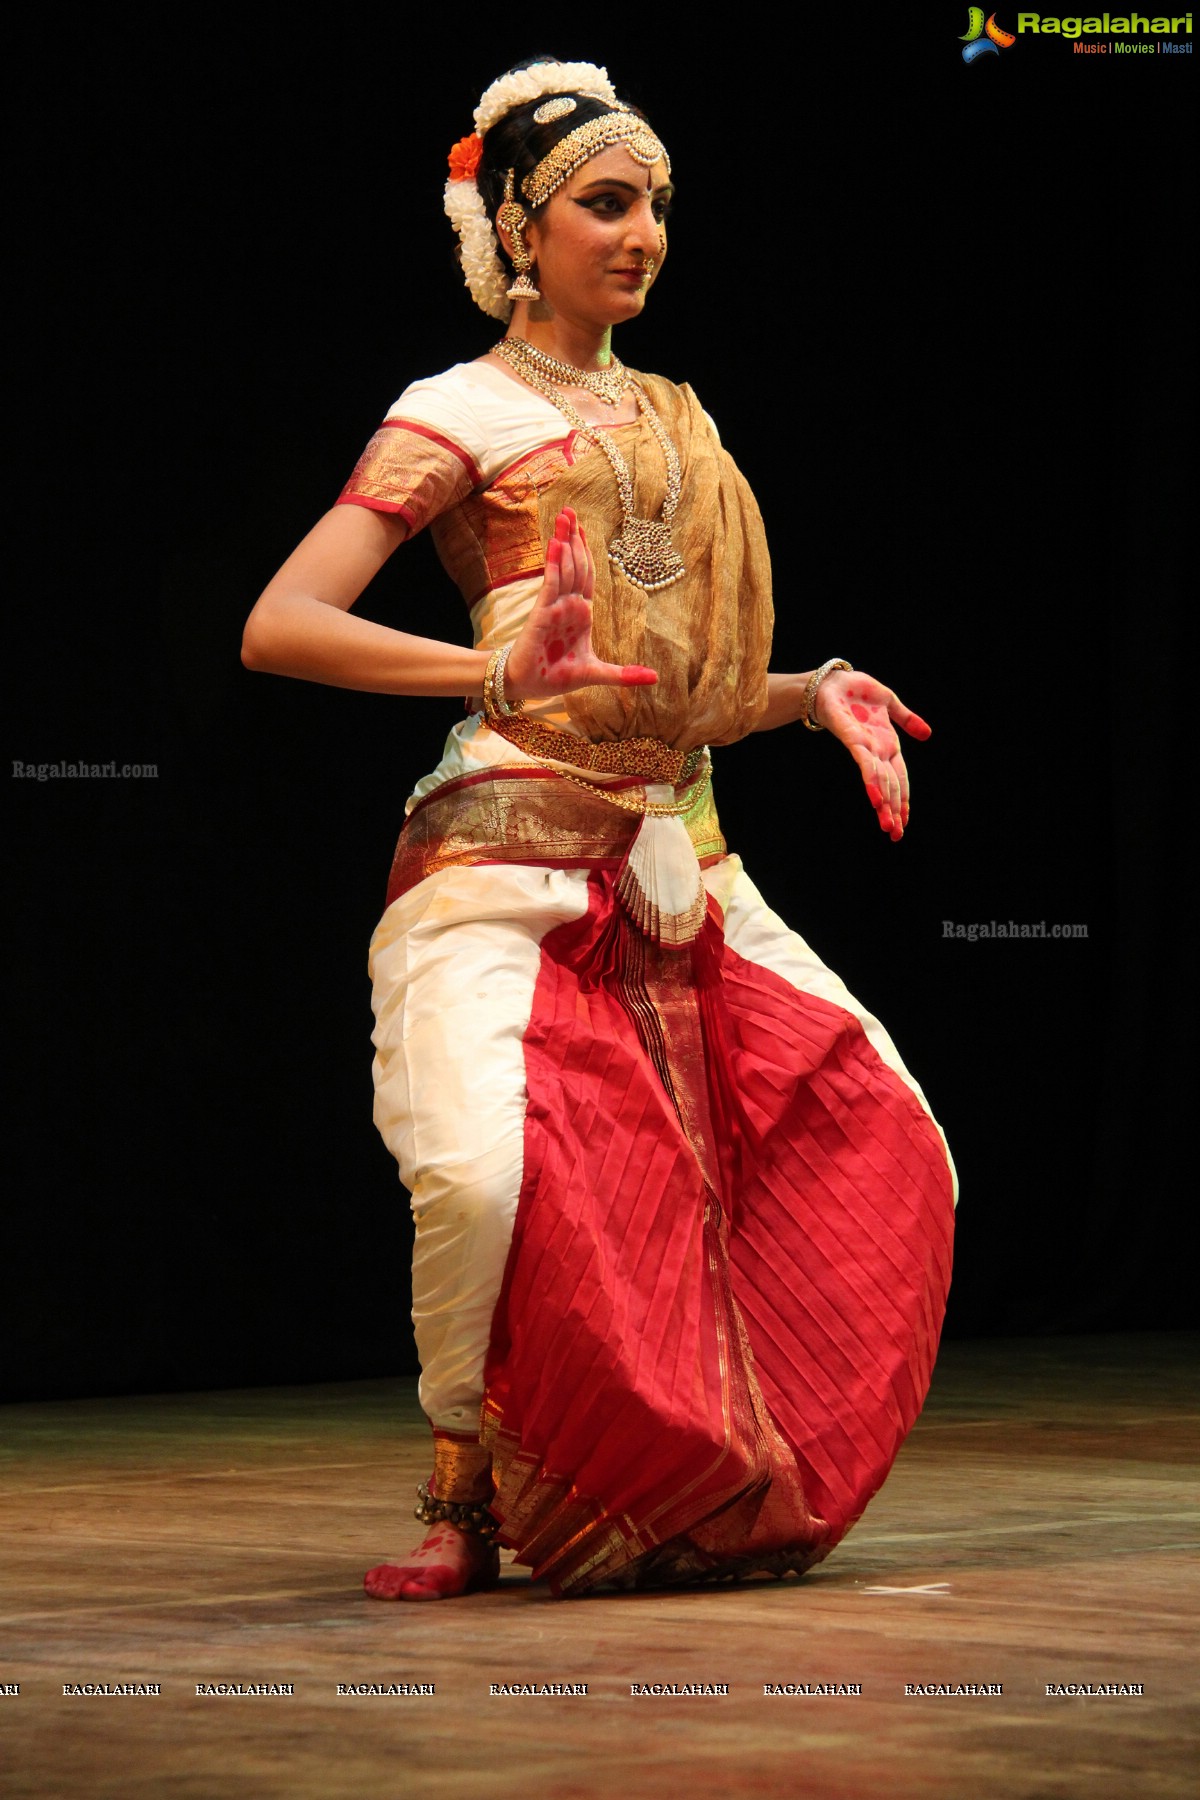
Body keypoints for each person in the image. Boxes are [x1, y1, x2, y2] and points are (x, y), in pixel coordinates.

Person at [241, 58, 957, 1601]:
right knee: (487, 1184)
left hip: (681, 859)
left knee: (896, 1137)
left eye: (657, 208)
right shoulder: (457, 412)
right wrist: (497, 665)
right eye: (606, 204)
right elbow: (281, 624)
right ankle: (461, 1490)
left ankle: (694, 1486)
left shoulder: (682, 419)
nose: (642, 236)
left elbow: (673, 691)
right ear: (517, 222)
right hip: (502, 852)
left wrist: (807, 691)